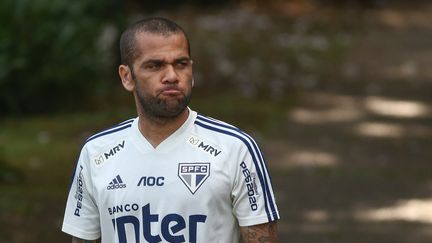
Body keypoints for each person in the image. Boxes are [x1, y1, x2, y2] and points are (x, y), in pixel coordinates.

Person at [62, 17, 280, 243]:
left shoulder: (235, 148)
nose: (172, 76)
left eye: (180, 64)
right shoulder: (96, 153)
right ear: (127, 77)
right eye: (155, 65)